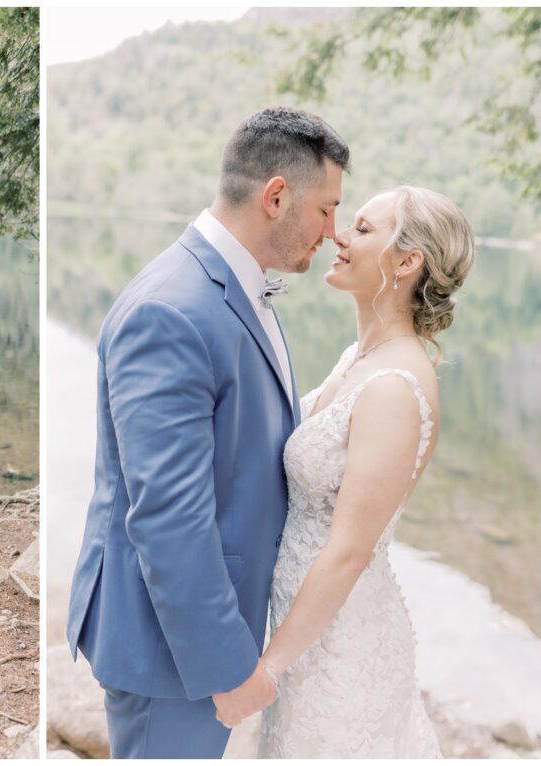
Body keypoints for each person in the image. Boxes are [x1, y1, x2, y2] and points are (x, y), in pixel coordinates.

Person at [65, 107, 349, 758]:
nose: (332, 233)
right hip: (170, 654)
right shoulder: (172, 310)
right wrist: (227, 665)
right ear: (276, 197)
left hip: (192, 642)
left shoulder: (232, 289)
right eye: (327, 210)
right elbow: (167, 518)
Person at [255, 186, 474, 757]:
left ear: (407, 263)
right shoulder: (357, 360)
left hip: (340, 652)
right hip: (308, 635)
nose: (337, 236)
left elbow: (349, 551)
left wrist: (269, 667)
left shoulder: (395, 389)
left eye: (362, 228)